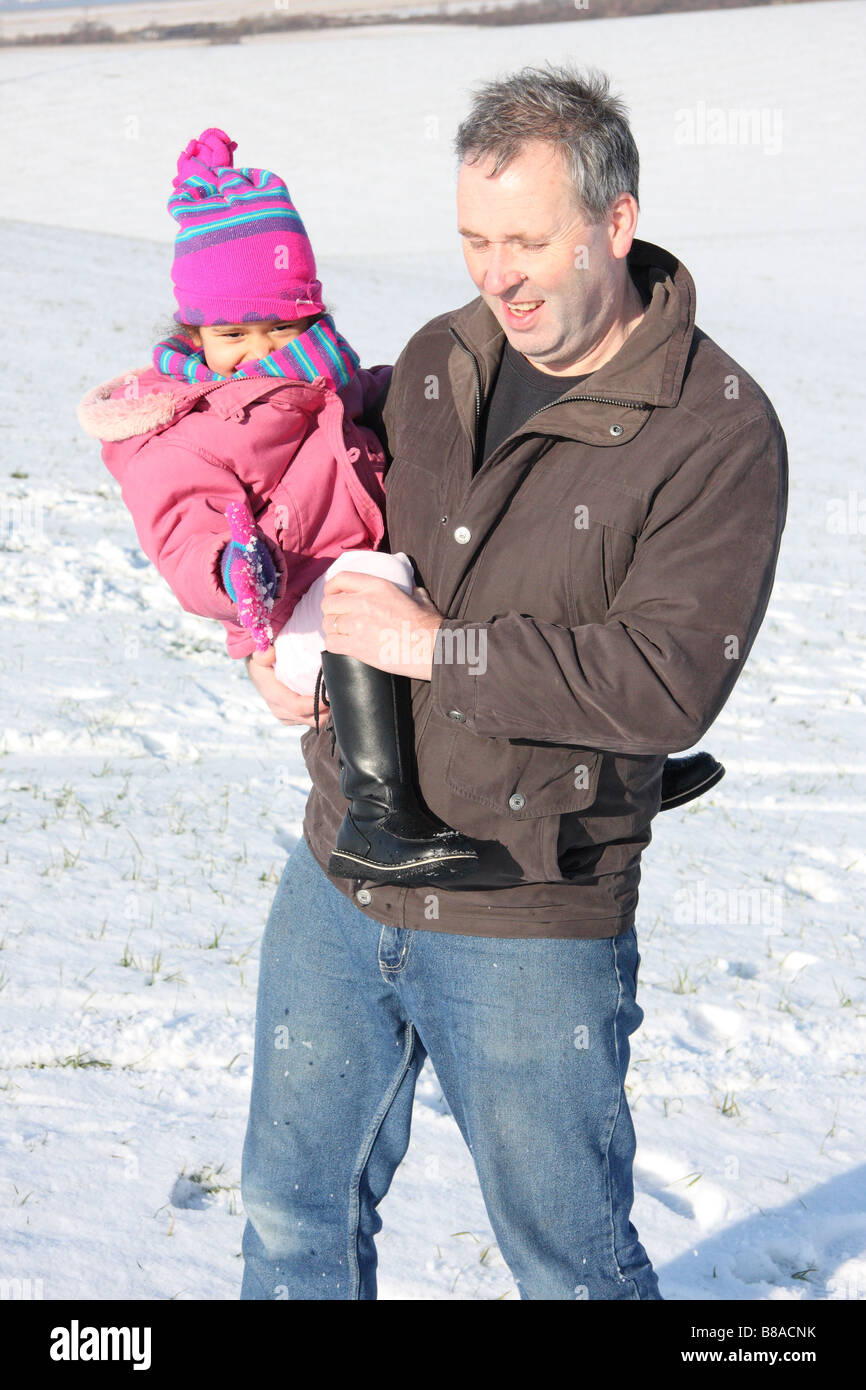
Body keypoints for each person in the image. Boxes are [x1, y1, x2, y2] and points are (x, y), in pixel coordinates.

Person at [241, 63, 788, 1301]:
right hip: (340, 870)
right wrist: (295, 641)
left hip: (528, 906)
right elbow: (351, 535)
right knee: (290, 1215)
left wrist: (436, 648)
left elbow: (663, 682)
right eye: (474, 240)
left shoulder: (716, 429)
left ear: (614, 222)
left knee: (570, 1263)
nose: (497, 273)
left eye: (528, 239)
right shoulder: (440, 358)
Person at [77, 126, 483, 886]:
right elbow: (180, 536)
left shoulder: (323, 379)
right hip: (290, 614)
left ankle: (577, 764)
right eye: (232, 333)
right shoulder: (187, 430)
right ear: (195, 332)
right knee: (371, 581)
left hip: (345, 607)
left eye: (280, 327)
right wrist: (236, 570)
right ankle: (380, 815)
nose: (258, 349)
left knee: (462, 569)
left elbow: (374, 399)